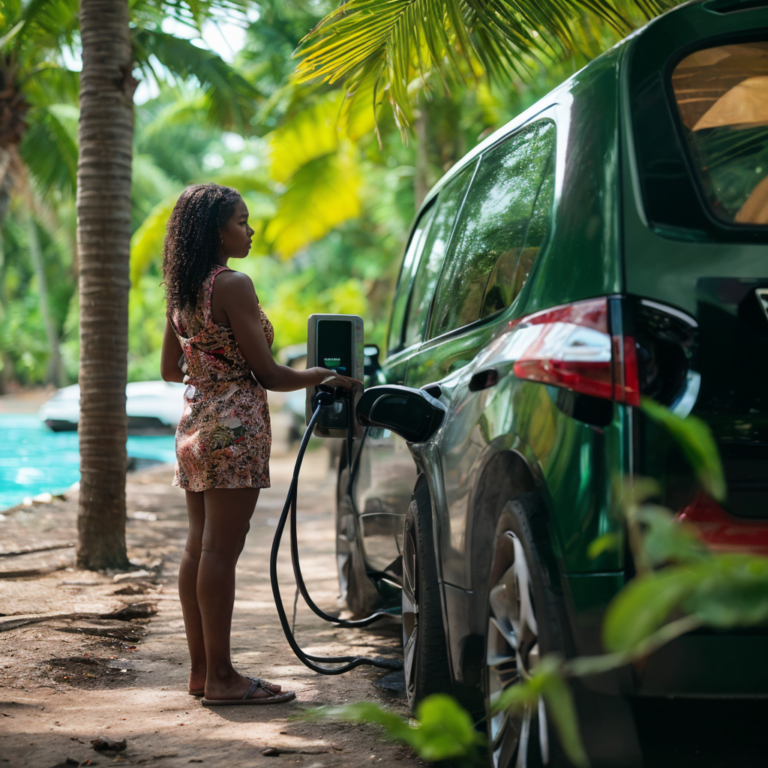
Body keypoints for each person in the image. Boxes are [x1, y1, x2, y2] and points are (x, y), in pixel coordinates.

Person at [160, 184, 357, 706]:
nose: (250, 230)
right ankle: (224, 679)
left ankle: (202, 673)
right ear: (215, 230)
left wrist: (209, 370)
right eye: (242, 222)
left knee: (197, 546)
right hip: (236, 427)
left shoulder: (181, 289)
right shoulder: (233, 284)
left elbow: (166, 368)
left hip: (195, 425)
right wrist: (321, 375)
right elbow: (268, 374)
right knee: (221, 551)